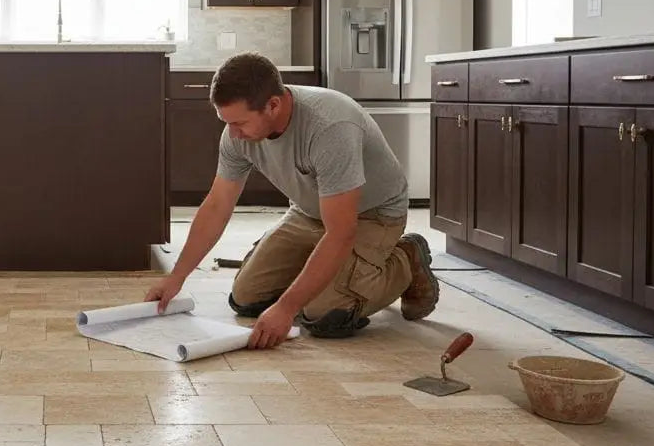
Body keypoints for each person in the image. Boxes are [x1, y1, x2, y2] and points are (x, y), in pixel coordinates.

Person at [145, 51, 439, 348]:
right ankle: (327, 270)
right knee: (246, 299)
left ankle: (406, 260)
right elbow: (217, 206)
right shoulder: (235, 135)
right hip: (308, 212)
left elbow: (341, 232)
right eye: (227, 122)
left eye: (240, 123)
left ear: (273, 105)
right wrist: (177, 277)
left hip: (373, 215)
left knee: (324, 316)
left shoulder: (329, 128)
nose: (232, 134)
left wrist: (286, 309)